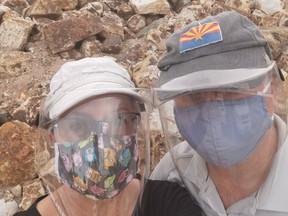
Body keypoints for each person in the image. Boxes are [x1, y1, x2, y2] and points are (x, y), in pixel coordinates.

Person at [14, 57, 202, 216]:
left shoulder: (167, 203)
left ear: (135, 127)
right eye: (79, 125)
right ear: (53, 139)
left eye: (118, 120)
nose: (101, 142)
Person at [150, 11, 288, 215]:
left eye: (231, 89)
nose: (211, 112)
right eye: (194, 95)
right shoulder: (172, 174)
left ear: (273, 87)